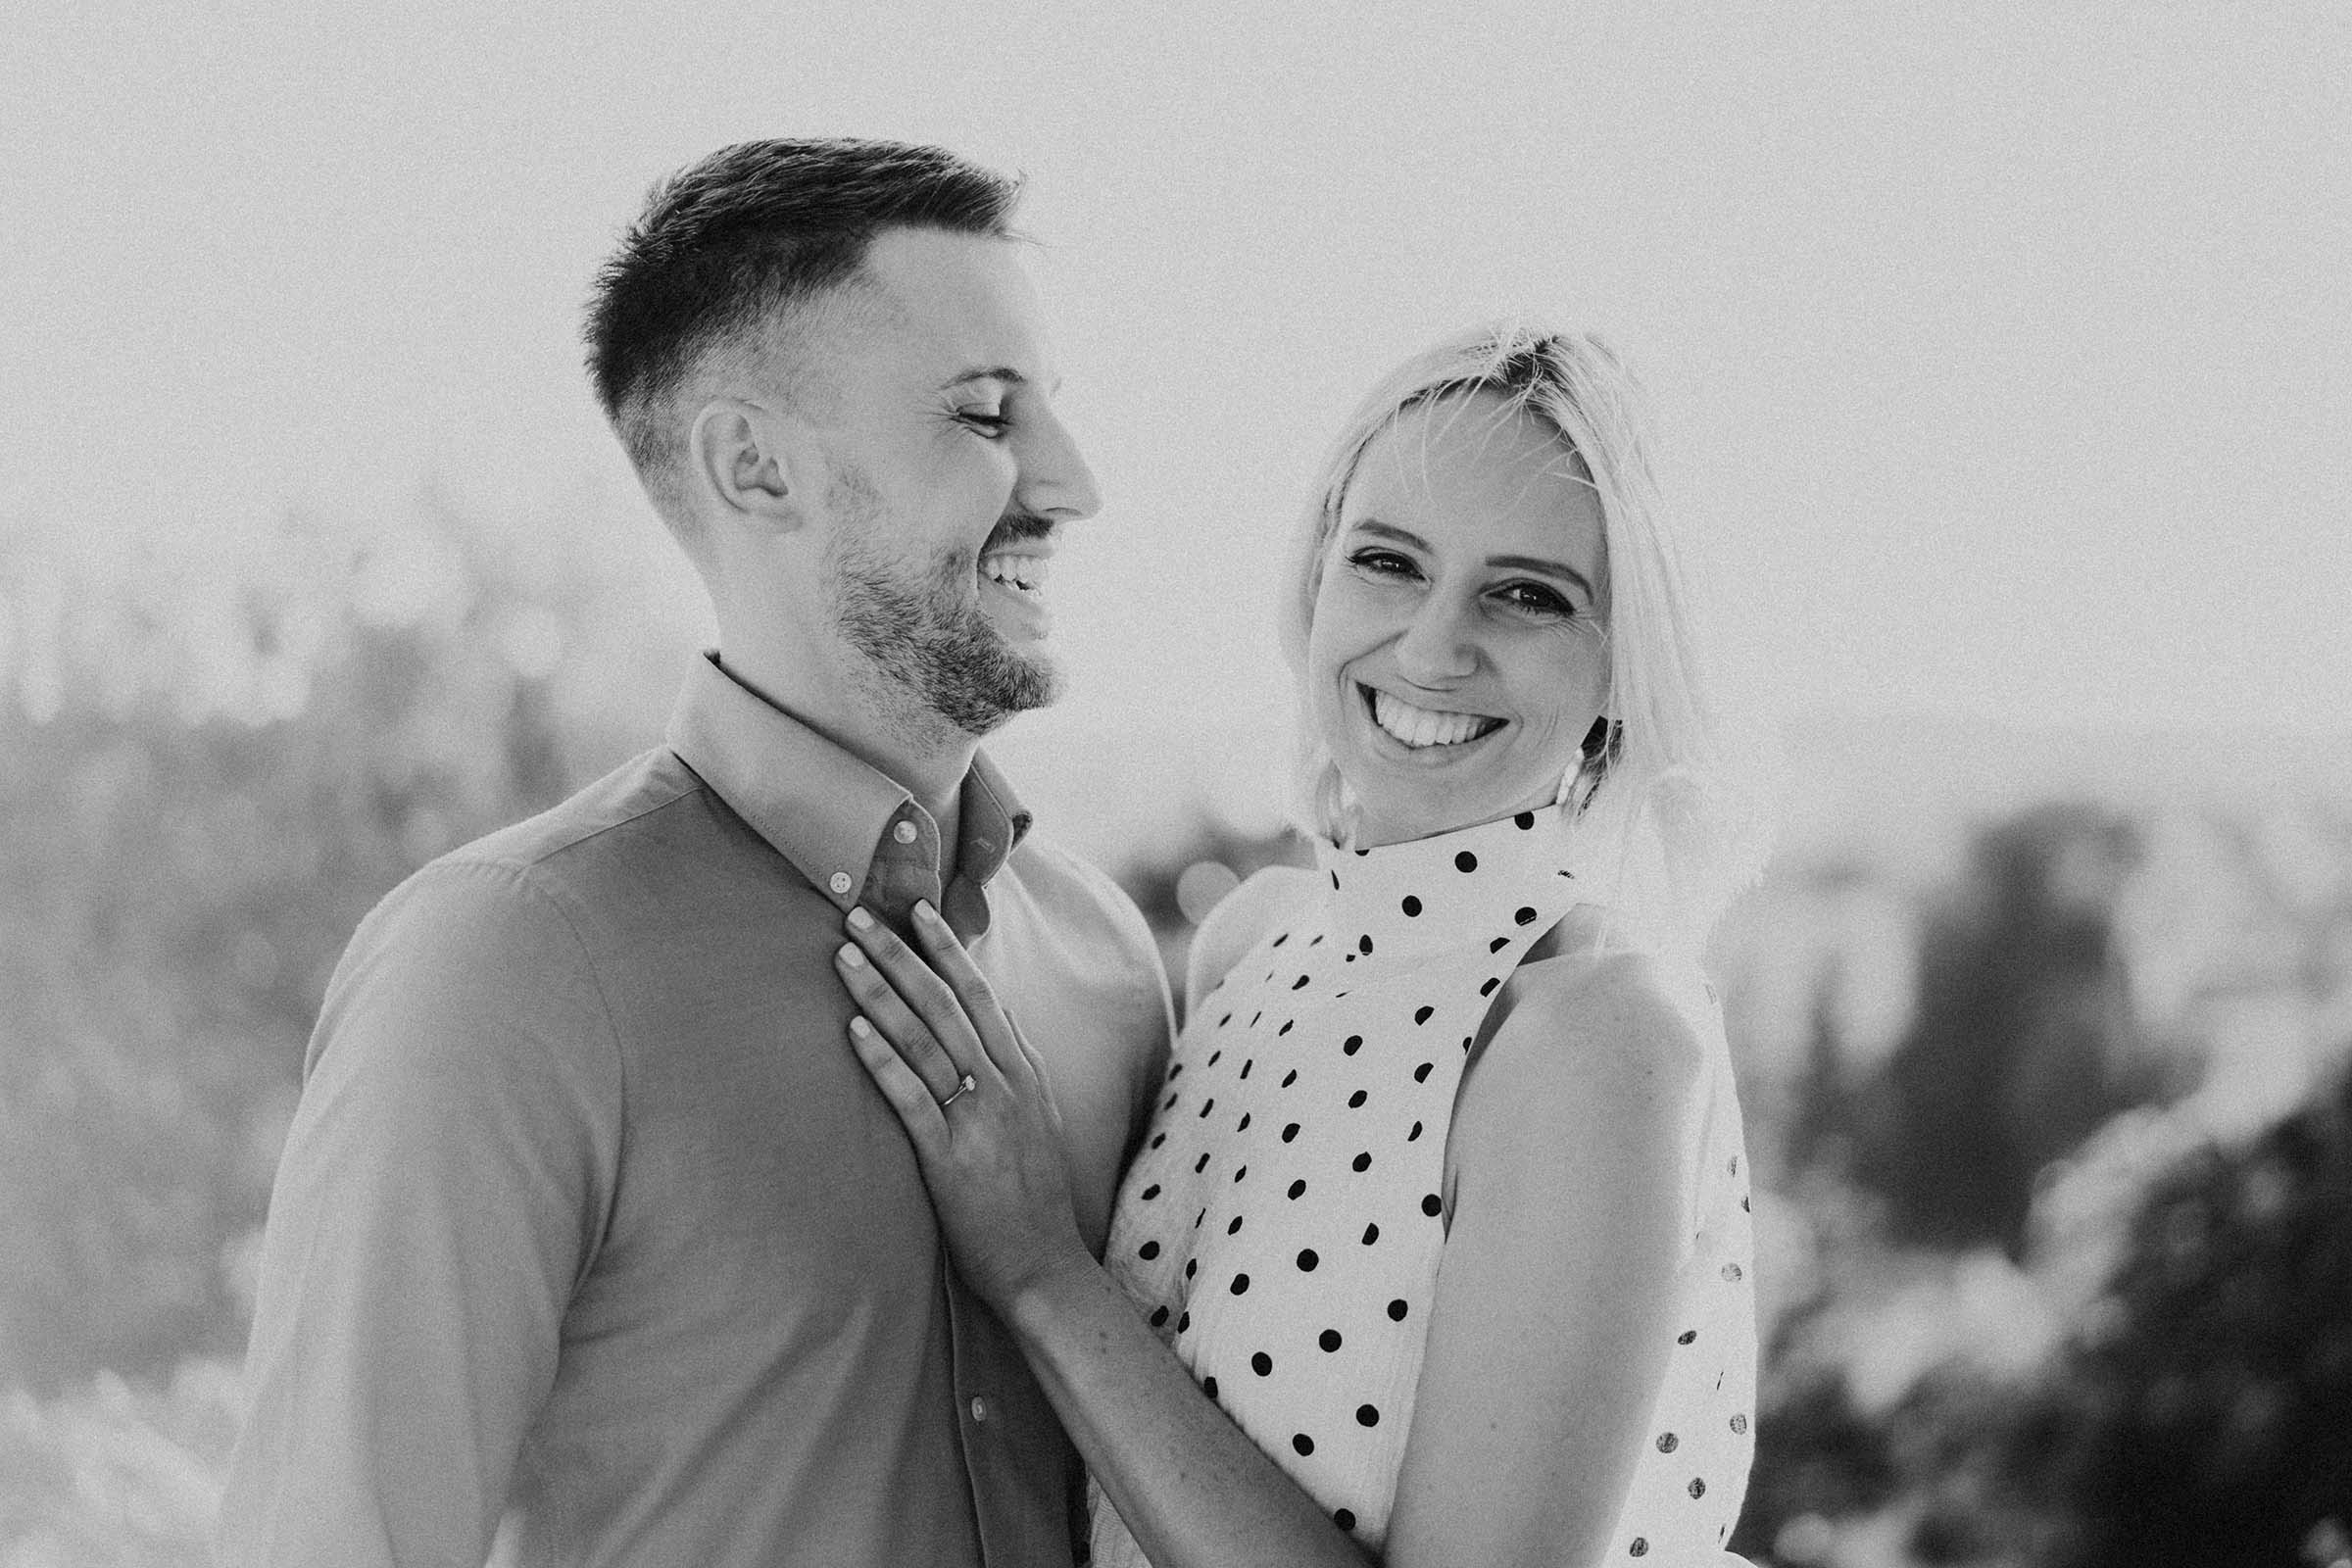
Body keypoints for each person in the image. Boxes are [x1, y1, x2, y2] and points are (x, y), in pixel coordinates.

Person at [220, 138, 1172, 1568]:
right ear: (754, 465)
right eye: (986, 418)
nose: (1074, 484)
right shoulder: (507, 965)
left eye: (1054, 413)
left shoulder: (1105, 965)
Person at [836, 323, 1765, 1565]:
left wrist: (1039, 1267)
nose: (1434, 646)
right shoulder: (1249, 948)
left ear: (1620, 669)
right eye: (1388, 562)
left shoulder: (1594, 1036)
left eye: (1529, 594)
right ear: (1314, 582)